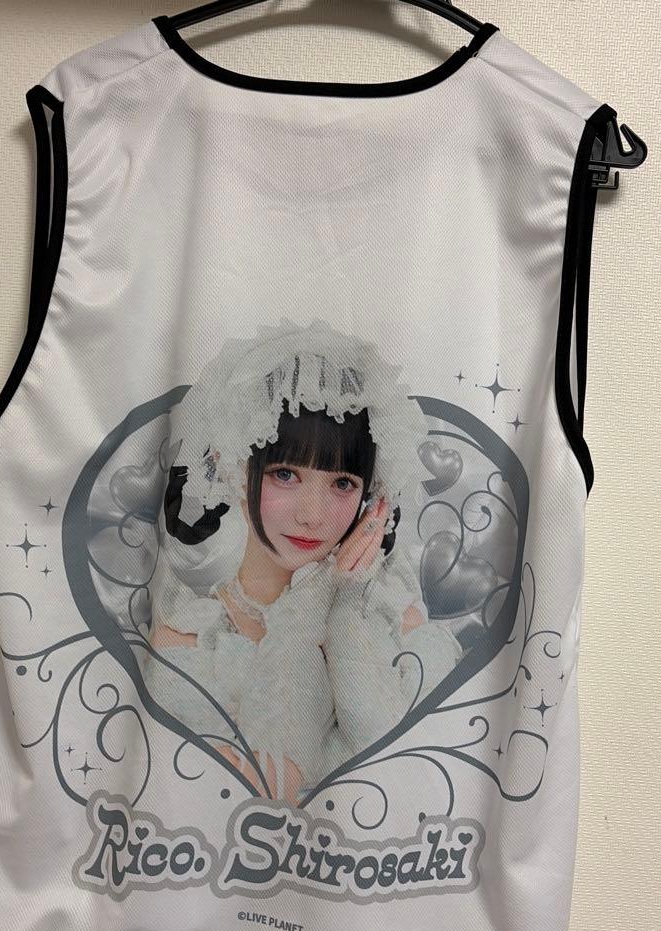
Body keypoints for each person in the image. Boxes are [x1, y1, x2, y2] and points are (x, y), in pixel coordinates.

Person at [140, 318, 462, 803]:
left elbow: (400, 768)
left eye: (342, 483)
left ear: (373, 497)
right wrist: (311, 611)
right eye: (285, 474)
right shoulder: (189, 641)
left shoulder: (398, 622)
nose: (312, 515)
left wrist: (343, 608)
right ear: (234, 466)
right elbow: (229, 797)